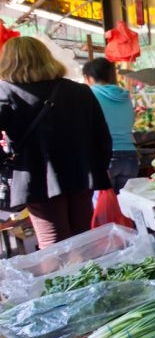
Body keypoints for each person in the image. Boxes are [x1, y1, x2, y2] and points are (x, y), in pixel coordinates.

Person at [0, 37, 112, 249]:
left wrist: (7, 162)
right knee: (83, 239)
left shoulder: (5, 92)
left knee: (54, 246)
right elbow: (102, 137)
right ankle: (90, 281)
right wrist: (97, 167)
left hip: (37, 178)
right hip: (81, 174)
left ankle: (70, 281)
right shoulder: (80, 91)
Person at [83, 58, 139, 193]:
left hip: (106, 157)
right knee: (124, 208)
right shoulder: (125, 96)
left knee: (104, 210)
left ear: (88, 78)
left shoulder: (89, 95)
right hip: (130, 156)